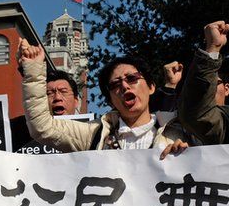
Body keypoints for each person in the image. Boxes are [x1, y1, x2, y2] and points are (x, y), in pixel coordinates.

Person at [18, 38, 189, 159]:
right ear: (109, 101)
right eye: (115, 84)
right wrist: (33, 69)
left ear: (151, 87)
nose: (124, 86)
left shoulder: (177, 129)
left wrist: (186, 156)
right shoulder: (94, 134)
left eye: (132, 79)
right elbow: (41, 126)